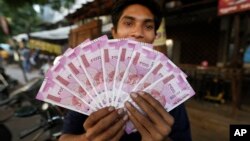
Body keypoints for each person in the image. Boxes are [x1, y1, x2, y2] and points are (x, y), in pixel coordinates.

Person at [59, 0, 192, 141]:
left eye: (148, 26)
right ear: (114, 33)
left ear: (154, 37)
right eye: (129, 23)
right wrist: (87, 139)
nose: (138, 33)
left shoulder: (168, 88)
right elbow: (64, 138)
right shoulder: (90, 82)